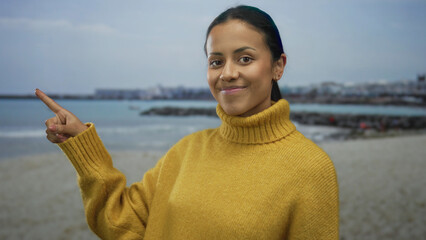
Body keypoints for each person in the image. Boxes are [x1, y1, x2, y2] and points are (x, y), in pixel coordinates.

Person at [36, 5, 338, 239]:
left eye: (245, 58)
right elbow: (122, 222)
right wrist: (83, 146)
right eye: (216, 61)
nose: (227, 73)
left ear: (278, 66)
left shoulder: (311, 168)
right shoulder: (186, 151)